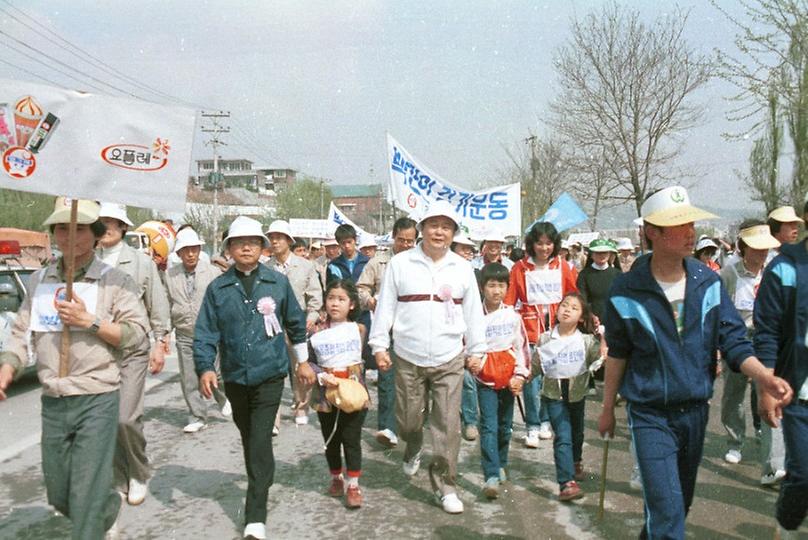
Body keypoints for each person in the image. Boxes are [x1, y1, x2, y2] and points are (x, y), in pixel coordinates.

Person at [598, 186, 793, 540]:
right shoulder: (626, 290)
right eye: (678, 225)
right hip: (649, 414)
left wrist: (764, 375)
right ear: (652, 233)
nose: (690, 232)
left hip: (694, 413)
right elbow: (618, 353)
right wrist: (608, 407)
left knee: (675, 508)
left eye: (690, 222)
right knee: (668, 512)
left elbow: (733, 339)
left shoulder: (708, 283)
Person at [0, 197, 149, 539]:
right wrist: (8, 366)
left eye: (78, 229)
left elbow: (135, 334)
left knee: (85, 499)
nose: (68, 236)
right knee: (60, 494)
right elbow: (21, 333)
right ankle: (108, 507)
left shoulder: (115, 281)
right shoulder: (39, 281)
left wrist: (90, 321)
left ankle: (95, 514)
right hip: (53, 399)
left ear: (96, 234)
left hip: (96, 397)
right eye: (61, 229)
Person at [194, 216, 311, 540]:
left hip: (270, 374)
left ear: (262, 247)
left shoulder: (277, 283)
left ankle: (254, 515)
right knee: (250, 439)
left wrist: (302, 363)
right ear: (229, 248)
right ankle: (263, 476)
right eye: (238, 242)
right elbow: (204, 333)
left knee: (259, 439)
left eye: (253, 242)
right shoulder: (218, 288)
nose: (246, 247)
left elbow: (295, 323)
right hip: (234, 376)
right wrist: (205, 367)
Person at [369, 200, 486, 514]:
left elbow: (474, 313)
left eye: (446, 227)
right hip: (408, 356)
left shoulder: (462, 267)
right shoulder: (401, 263)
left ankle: (446, 486)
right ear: (421, 229)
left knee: (448, 424)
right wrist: (379, 345)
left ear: (453, 233)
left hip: (450, 357)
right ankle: (413, 447)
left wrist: (477, 351)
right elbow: (386, 308)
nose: (439, 232)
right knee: (408, 422)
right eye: (433, 225)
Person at [97, 202, 170, 506]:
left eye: (113, 222)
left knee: (126, 417)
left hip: (132, 349)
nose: (107, 227)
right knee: (104, 418)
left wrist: (160, 342)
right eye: (101, 221)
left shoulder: (141, 263)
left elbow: (157, 304)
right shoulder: (86, 259)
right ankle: (117, 474)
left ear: (124, 227)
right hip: (95, 351)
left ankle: (138, 471)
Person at [754, 214, 808, 539]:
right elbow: (767, 331)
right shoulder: (786, 268)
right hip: (798, 390)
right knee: (802, 474)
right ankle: (786, 527)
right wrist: (766, 385)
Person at [718, 222, 784, 486]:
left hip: (767, 339)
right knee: (733, 396)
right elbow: (720, 311)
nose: (762, 254)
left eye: (766, 249)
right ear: (743, 248)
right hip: (737, 340)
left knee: (768, 394)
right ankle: (735, 441)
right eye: (756, 249)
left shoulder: (775, 271)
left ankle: (773, 465)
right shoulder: (729, 274)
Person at [505, 221, 578, 447]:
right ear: (532, 244)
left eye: (549, 244)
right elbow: (509, 300)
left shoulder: (563, 266)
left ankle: (546, 420)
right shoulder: (519, 268)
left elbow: (573, 296)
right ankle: (532, 426)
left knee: (552, 379)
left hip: (555, 331)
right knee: (530, 380)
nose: (544, 248)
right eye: (539, 243)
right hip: (529, 332)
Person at [356, 217, 418, 448]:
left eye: (410, 241)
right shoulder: (378, 262)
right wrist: (370, 301)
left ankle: (411, 423)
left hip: (413, 329)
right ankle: (387, 426)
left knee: (412, 381)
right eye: (401, 240)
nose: (405, 245)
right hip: (387, 328)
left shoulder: (420, 261)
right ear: (393, 237)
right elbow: (361, 288)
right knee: (387, 377)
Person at [536, 292, 603, 501]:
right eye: (564, 305)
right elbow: (536, 365)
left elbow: (599, 359)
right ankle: (566, 482)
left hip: (576, 394)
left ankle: (575, 462)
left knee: (577, 433)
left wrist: (603, 347)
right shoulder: (545, 338)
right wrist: (521, 378)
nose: (567, 310)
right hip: (553, 395)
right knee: (563, 435)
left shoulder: (586, 341)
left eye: (574, 308)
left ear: (582, 318)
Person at [309, 279, 368, 509]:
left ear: (351, 304)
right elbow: (309, 363)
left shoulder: (359, 330)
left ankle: (353, 485)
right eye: (331, 298)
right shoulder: (316, 333)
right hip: (326, 392)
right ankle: (336, 478)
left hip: (353, 390)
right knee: (331, 438)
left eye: (341, 299)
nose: (335, 304)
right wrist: (323, 376)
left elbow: (366, 359)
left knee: (351, 439)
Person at [164, 228, 231, 433]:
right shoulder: (169, 275)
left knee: (216, 373)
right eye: (186, 250)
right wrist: (165, 333)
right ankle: (197, 415)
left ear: (199, 249)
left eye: (194, 249)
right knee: (189, 377)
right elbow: (165, 303)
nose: (190, 254)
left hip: (210, 333)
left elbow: (224, 301)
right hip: (184, 332)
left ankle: (223, 397)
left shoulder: (212, 272)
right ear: (179, 254)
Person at [474, 263, 530, 499]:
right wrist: (473, 361)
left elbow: (522, 348)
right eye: (491, 285)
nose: (496, 291)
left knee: (504, 425)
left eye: (501, 286)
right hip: (484, 379)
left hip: (509, 379)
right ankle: (491, 475)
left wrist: (520, 375)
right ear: (482, 287)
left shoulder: (512, 316)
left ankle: (501, 461)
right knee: (488, 425)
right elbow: (467, 344)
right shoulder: (474, 316)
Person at [265, 220, 323, 429]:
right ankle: (274, 416)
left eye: (279, 237)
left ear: (289, 240)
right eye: (272, 237)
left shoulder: (306, 266)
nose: (275, 241)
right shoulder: (265, 268)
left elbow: (315, 297)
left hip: (297, 325)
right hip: (270, 326)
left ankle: (301, 406)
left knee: (300, 367)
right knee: (273, 371)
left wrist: (311, 317)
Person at [451, 232, 480, 441]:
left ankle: (470, 421)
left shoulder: (473, 273)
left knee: (467, 381)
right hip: (442, 338)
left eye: (469, 249)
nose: (467, 253)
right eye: (463, 248)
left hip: (464, 337)